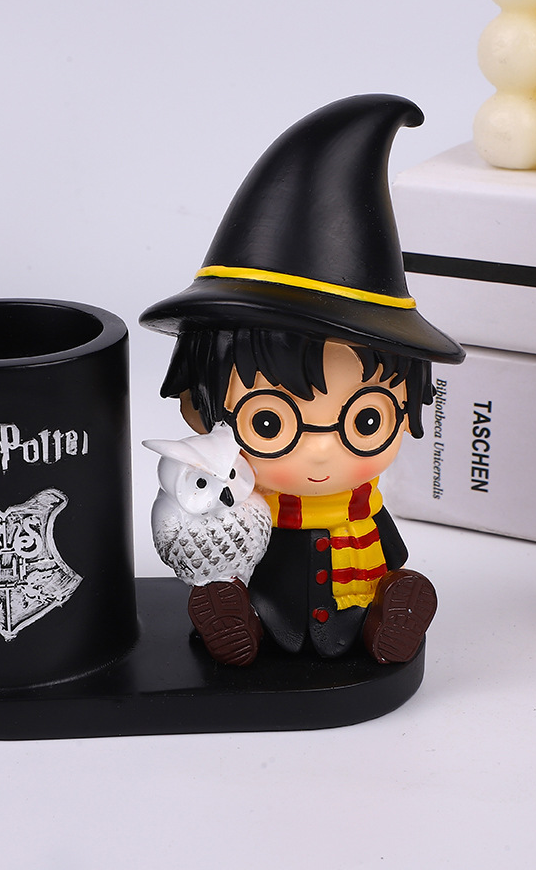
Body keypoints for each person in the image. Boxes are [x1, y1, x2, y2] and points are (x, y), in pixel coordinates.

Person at [141, 94, 465, 665]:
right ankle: (236, 622)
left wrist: (390, 577)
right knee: (244, 594)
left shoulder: (362, 507)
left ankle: (388, 617)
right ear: (198, 407)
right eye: (270, 423)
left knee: (380, 588)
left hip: (348, 602)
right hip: (273, 599)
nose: (320, 451)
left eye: (366, 421)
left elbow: (387, 548)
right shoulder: (244, 507)